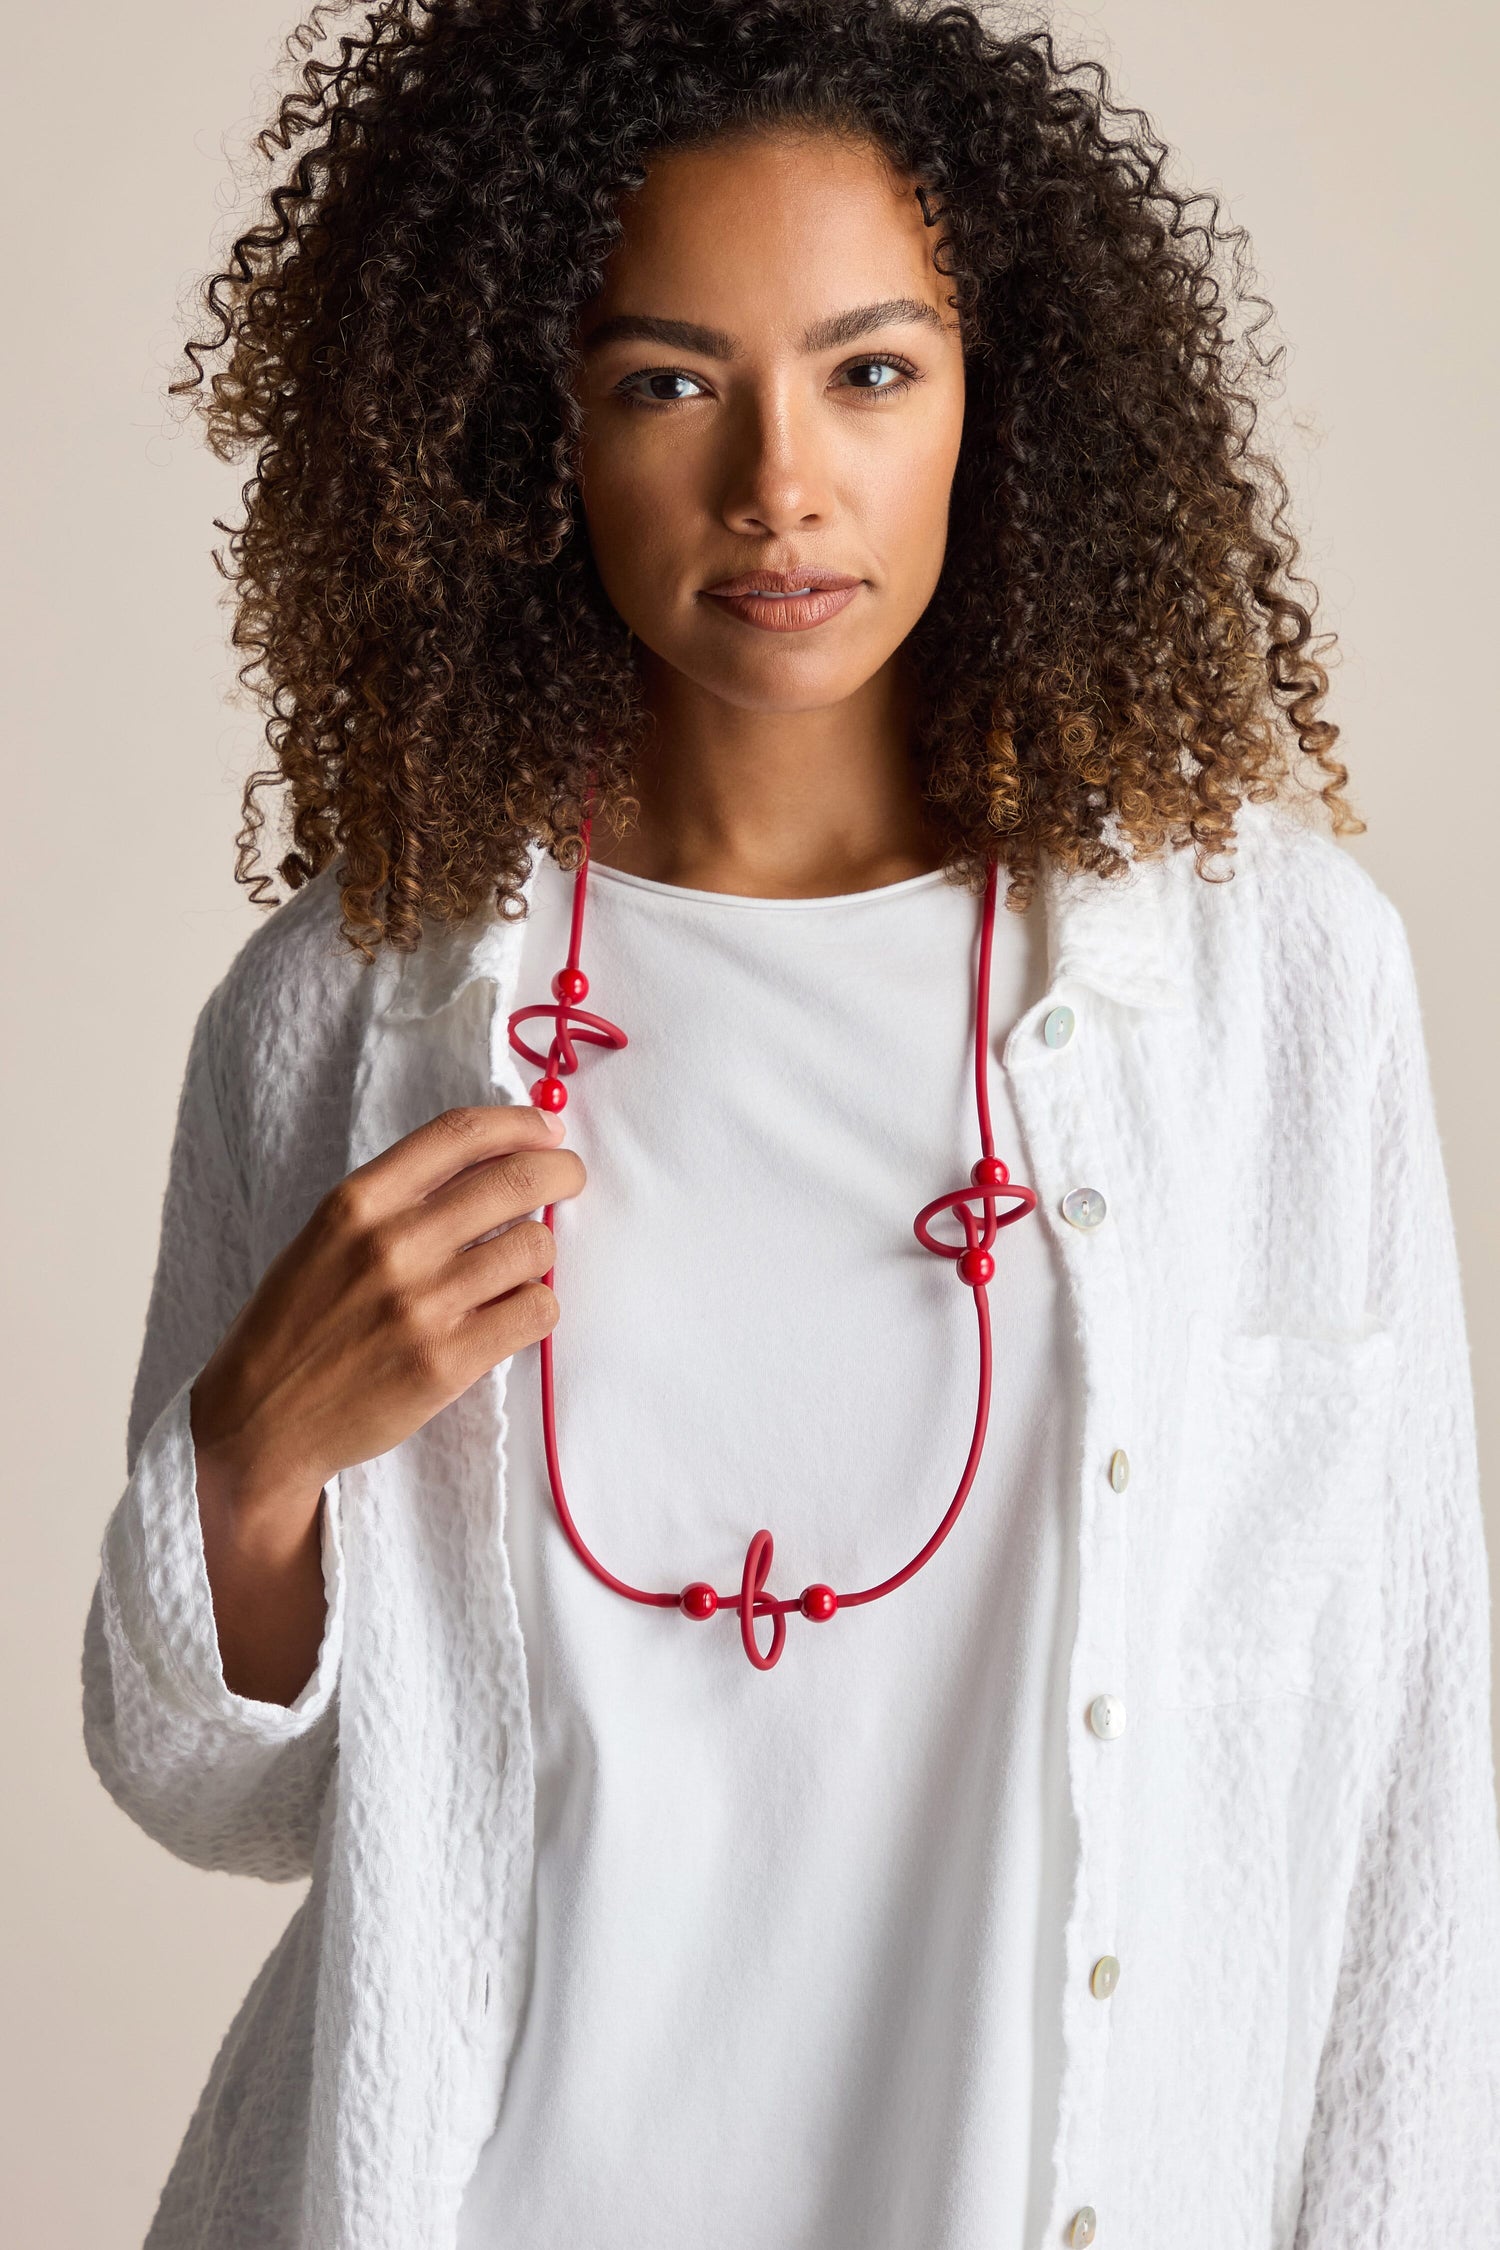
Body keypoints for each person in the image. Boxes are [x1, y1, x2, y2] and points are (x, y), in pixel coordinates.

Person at [81, 2, 1500, 2246]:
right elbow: (210, 1792)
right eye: (669, 381)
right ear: (527, 422)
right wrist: (250, 1467)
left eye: (869, 370)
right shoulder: (351, 1008)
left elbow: (1419, 1789)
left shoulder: (1269, 988)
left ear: (994, 403)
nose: (779, 487)